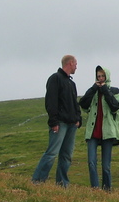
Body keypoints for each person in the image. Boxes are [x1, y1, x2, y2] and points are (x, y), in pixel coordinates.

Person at [32, 55, 82, 187]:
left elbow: (75, 103)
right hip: (60, 123)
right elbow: (51, 101)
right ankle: (38, 180)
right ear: (70, 63)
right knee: (52, 153)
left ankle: (62, 184)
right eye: (76, 64)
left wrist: (78, 119)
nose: (77, 66)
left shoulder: (71, 83)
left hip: (72, 124)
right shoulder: (55, 79)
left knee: (66, 156)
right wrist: (53, 122)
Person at [79, 65, 119, 191]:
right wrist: (93, 89)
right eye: (98, 76)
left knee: (106, 165)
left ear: (107, 76)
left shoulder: (115, 91)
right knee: (91, 162)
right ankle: (95, 189)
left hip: (107, 131)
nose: (101, 78)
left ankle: (107, 190)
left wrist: (105, 90)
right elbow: (83, 104)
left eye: (103, 76)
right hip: (93, 131)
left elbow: (116, 107)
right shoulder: (93, 91)